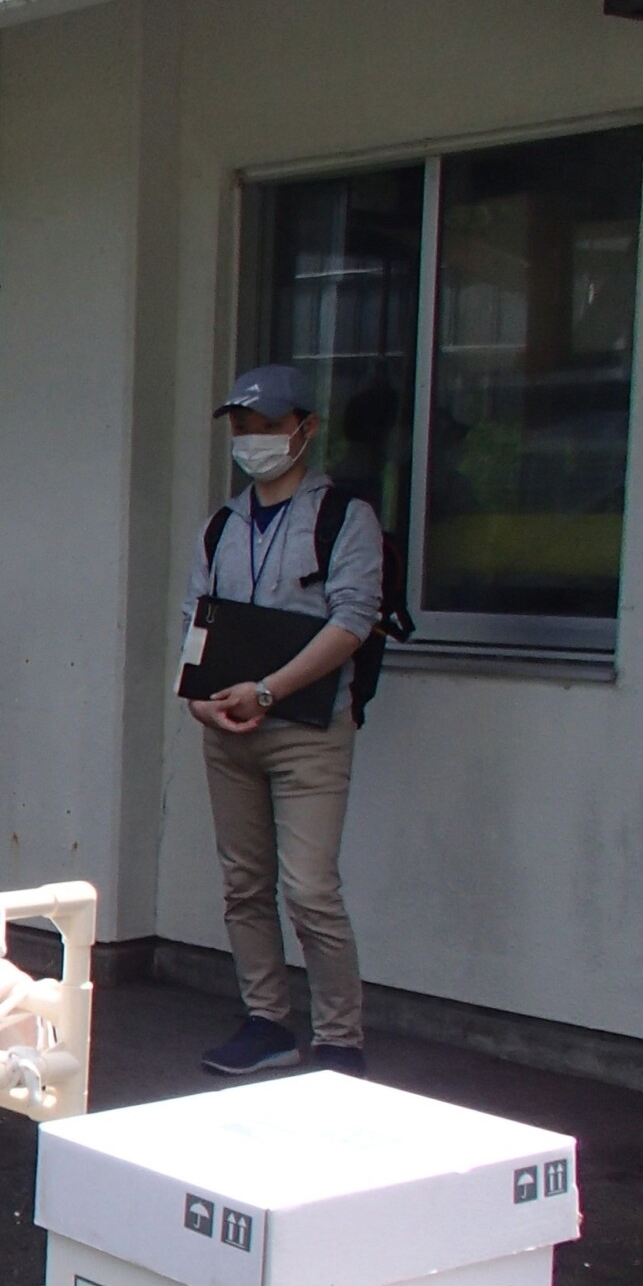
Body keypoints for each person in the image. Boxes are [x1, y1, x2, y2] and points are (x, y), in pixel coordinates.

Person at [183, 364, 382, 1079]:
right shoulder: (222, 524)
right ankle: (265, 1020)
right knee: (243, 883)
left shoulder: (343, 517)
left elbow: (353, 620)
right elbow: (196, 624)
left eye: (268, 426)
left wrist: (268, 691)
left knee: (309, 889)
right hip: (227, 732)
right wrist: (199, 698)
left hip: (307, 729)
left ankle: (339, 1038)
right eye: (243, 427)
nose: (253, 440)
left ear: (305, 427)